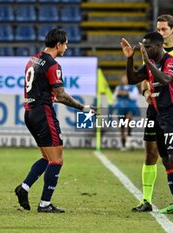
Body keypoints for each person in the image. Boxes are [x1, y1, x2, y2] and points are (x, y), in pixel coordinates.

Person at [15, 28, 96, 213]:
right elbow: (60, 95)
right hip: (44, 113)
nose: (66, 48)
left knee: (47, 157)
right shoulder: (53, 65)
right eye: (65, 44)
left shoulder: (32, 59)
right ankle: (45, 204)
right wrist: (83, 108)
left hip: (29, 113)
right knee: (57, 160)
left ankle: (24, 188)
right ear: (58, 44)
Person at [131, 14, 173, 212]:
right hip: (156, 108)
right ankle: (152, 200)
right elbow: (145, 76)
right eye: (158, 29)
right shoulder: (152, 53)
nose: (161, 32)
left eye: (163, 29)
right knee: (155, 154)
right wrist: (145, 90)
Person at [113, 74, 140, 150]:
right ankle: (123, 144)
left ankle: (129, 137)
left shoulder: (133, 87)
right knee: (122, 126)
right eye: (124, 78)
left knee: (128, 120)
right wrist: (118, 94)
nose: (125, 80)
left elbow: (135, 97)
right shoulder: (119, 88)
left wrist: (127, 93)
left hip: (130, 108)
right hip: (121, 108)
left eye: (126, 78)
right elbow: (114, 97)